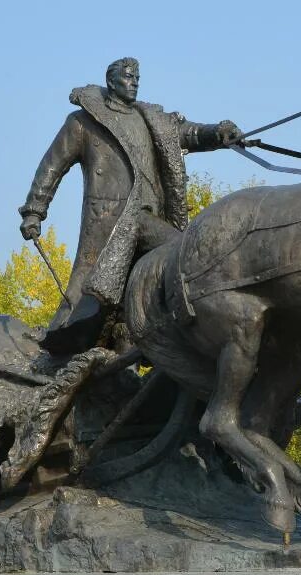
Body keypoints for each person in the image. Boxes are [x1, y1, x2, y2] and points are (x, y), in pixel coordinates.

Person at [19, 57, 242, 353]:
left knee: (149, 285)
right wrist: (35, 211)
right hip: (112, 219)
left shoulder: (149, 118)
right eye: (128, 76)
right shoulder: (83, 122)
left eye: (137, 77)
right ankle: (56, 350)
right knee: (89, 288)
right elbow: (52, 166)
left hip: (148, 216)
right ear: (111, 82)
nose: (134, 81)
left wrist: (217, 133)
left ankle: (147, 345)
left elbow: (186, 133)